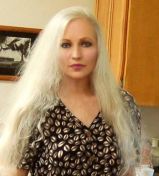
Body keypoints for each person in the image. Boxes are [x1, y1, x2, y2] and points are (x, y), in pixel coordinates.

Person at [0, 6, 141, 176]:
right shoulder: (33, 108)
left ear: (99, 50)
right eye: (65, 45)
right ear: (52, 51)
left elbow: (129, 171)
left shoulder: (123, 104)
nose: (76, 54)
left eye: (86, 44)